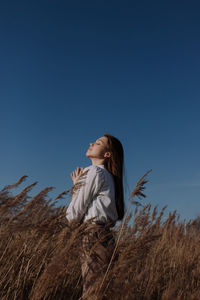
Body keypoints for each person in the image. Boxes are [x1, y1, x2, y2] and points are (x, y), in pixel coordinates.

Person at [66, 133, 125, 299]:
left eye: (98, 143)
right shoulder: (109, 177)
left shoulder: (94, 172)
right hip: (105, 236)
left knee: (92, 292)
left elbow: (73, 215)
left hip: (93, 235)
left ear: (107, 154)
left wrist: (76, 188)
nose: (91, 143)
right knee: (103, 291)